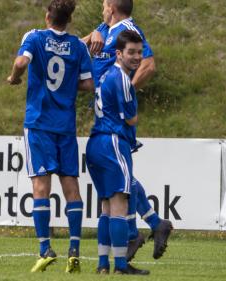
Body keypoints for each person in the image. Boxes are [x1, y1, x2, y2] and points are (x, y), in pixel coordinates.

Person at [7, 0, 94, 273]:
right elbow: (89, 84)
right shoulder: (78, 46)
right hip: (65, 126)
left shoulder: (34, 37)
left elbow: (21, 62)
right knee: (72, 190)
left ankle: (45, 249)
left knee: (40, 189)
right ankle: (74, 251)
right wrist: (68, 86)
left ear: (47, 16)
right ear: (69, 19)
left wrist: (14, 78)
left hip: (39, 124)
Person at [82, 0, 172, 264]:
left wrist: (124, 91)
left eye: (103, 3)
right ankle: (154, 223)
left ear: (111, 5)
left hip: (116, 119)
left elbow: (148, 64)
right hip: (105, 116)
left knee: (120, 182)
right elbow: (78, 43)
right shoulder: (104, 28)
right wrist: (92, 35)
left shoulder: (129, 29)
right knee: (123, 178)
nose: (101, 8)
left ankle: (135, 233)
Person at [86, 30, 149, 275]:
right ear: (119, 53)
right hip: (113, 142)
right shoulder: (122, 78)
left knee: (106, 207)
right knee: (119, 205)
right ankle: (121, 266)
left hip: (96, 142)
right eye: (131, 52)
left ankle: (103, 264)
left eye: (139, 52)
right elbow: (132, 119)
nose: (136, 57)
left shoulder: (105, 75)